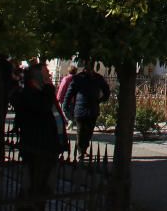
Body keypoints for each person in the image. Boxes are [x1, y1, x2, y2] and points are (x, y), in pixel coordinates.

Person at [11, 63, 67, 210]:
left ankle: (36, 205)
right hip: (37, 148)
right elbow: (42, 107)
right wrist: (49, 89)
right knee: (35, 186)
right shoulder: (29, 94)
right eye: (46, 73)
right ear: (37, 77)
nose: (49, 75)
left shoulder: (42, 93)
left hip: (48, 147)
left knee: (44, 185)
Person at [62, 63, 111, 160]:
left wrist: (100, 100)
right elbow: (70, 92)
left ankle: (83, 148)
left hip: (92, 108)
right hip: (81, 109)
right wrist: (66, 105)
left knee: (88, 132)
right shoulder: (79, 78)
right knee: (81, 131)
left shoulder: (97, 78)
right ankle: (81, 151)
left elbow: (106, 91)